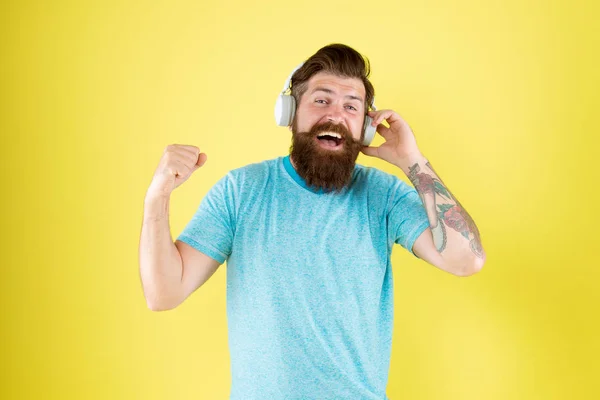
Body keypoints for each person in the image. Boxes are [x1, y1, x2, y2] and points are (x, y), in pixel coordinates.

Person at [139, 43, 486, 400]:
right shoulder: (241, 191)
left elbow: (465, 259)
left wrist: (413, 161)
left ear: (365, 128)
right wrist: (158, 196)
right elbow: (164, 293)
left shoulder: (383, 195)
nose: (336, 115)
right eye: (322, 100)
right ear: (289, 112)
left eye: (352, 106)